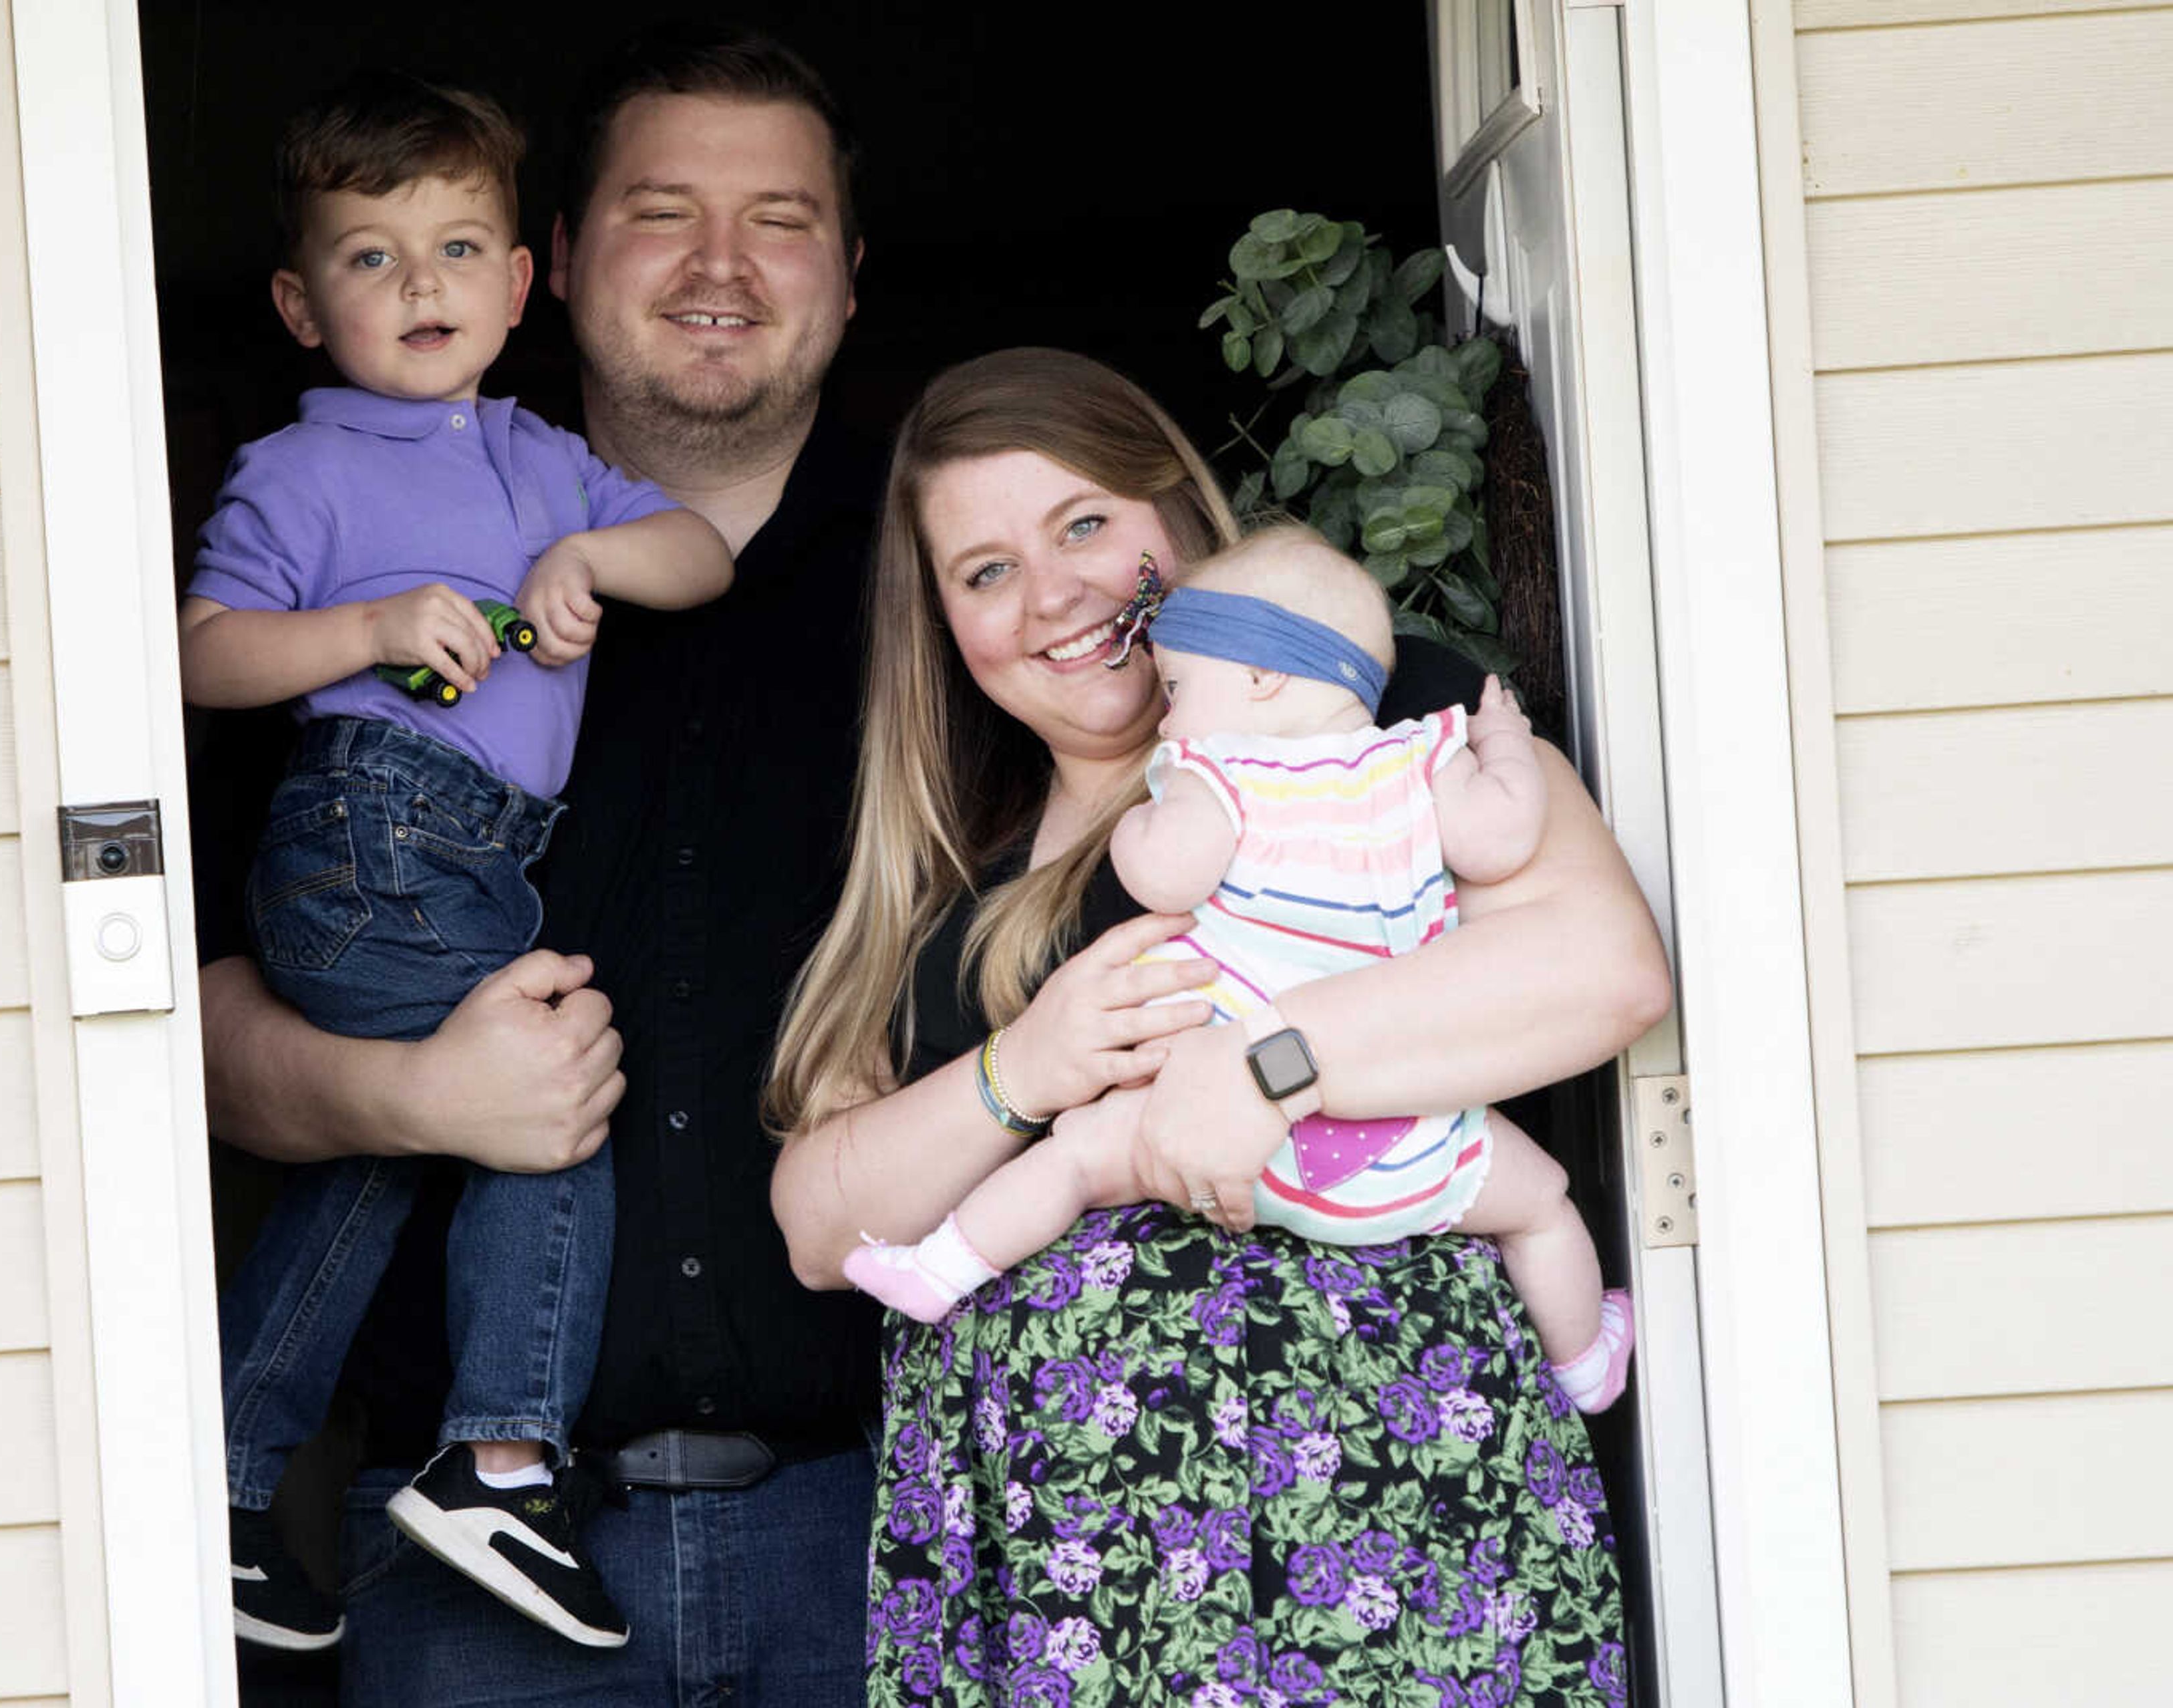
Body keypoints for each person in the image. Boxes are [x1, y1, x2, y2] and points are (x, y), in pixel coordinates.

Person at [767, 349, 1668, 1703]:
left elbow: (1599, 970)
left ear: (1180, 520)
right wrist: (1028, 1070)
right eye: (987, 570)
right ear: (945, 625)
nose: (1057, 593)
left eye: (1085, 524)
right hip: (1071, 1574)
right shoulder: (945, 887)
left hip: (1381, 1510)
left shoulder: (1375, 727)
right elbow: (818, 1229)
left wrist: (1271, 1066)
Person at [195, 24, 883, 1705]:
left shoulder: (960, 592)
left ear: (853, 278)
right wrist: (416, 1100)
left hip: (884, 1526)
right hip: (458, 1584)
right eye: (664, 210)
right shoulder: (358, 552)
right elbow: (182, 1028)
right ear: (556, 265)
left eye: (779, 220)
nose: (722, 264)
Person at [841, 526, 1637, 1414]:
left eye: (1176, 687)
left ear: (1258, 680)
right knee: (1542, 1205)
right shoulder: (1420, 759)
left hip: (1226, 1140)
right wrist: (1506, 746)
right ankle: (1589, 1365)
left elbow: (1163, 873)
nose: (1167, 711)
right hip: (1406, 1142)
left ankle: (939, 1268)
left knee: (1073, 1159)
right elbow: (1501, 835)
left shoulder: (1217, 772)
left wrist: (1154, 800)